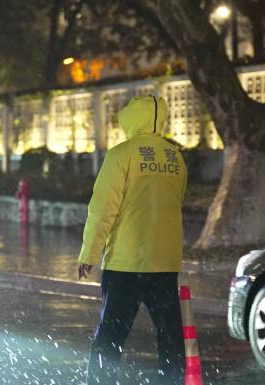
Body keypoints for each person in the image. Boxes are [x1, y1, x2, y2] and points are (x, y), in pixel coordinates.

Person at [77, 96, 188, 385]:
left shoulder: (121, 155)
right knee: (170, 339)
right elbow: (176, 202)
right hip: (165, 263)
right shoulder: (176, 158)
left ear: (130, 118)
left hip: (125, 264)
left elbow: (102, 208)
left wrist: (89, 254)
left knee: (111, 336)